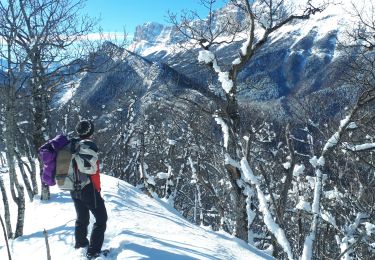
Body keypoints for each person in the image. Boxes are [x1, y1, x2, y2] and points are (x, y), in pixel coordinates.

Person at [70, 120, 108, 259]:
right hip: (88, 188)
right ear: (91, 132)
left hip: (73, 188)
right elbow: (94, 172)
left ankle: (80, 245)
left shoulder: (71, 145)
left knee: (82, 218)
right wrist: (97, 190)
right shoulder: (88, 147)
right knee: (101, 218)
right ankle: (93, 252)